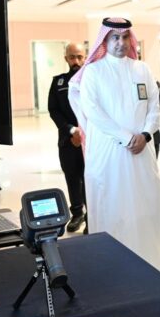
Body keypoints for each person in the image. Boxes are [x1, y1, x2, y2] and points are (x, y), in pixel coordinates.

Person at [67, 18, 160, 273]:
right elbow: (93, 111)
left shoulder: (142, 69)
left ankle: (153, 263)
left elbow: (154, 106)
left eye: (125, 37)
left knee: (146, 206)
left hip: (141, 152)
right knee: (113, 207)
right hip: (109, 153)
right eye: (115, 37)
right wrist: (126, 137)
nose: (121, 43)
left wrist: (145, 134)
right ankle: (112, 268)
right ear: (105, 40)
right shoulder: (93, 71)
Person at [48, 42, 88, 233]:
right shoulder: (58, 82)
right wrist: (72, 130)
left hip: (90, 140)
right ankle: (77, 213)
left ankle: (92, 215)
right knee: (72, 177)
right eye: (72, 57)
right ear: (66, 59)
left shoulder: (92, 79)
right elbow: (53, 110)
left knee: (90, 178)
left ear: (85, 58)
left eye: (79, 57)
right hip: (67, 139)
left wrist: (84, 132)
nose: (76, 61)